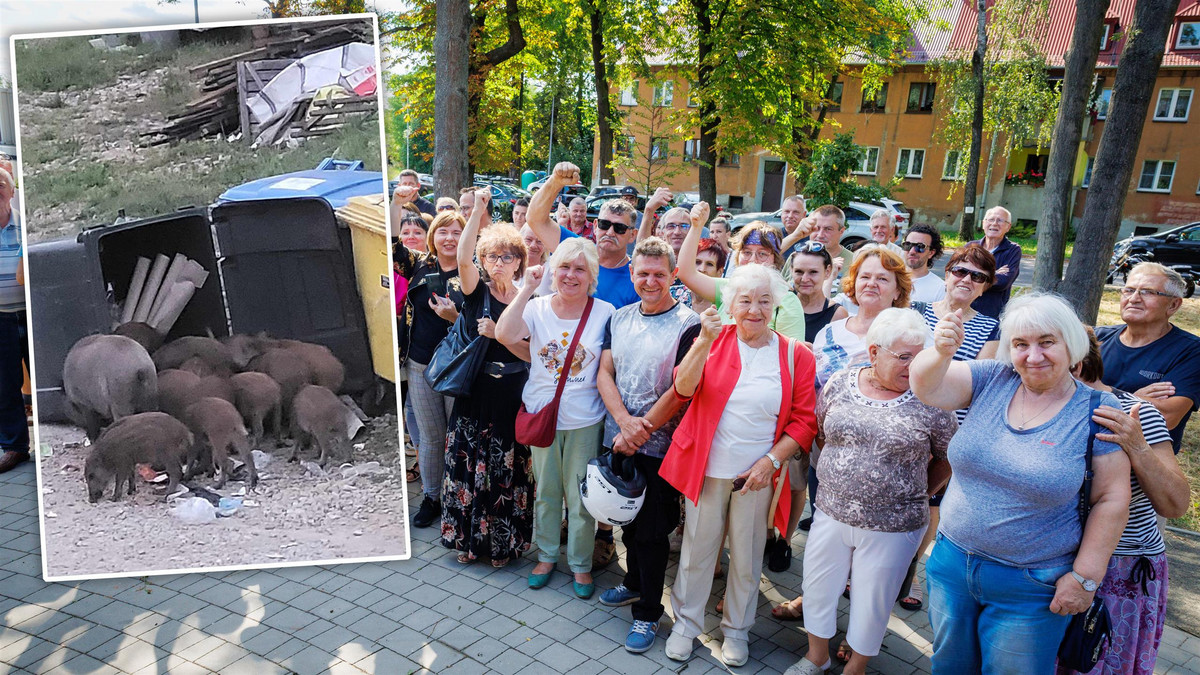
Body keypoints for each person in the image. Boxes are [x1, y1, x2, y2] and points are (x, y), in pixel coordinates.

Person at [910, 293, 1131, 674]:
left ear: (1071, 345)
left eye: (1047, 342)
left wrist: (1085, 577)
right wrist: (941, 351)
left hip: (1033, 584)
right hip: (952, 563)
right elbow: (926, 388)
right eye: (1020, 344)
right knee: (949, 666)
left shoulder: (1097, 412)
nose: (1033, 356)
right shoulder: (990, 378)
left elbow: (1111, 499)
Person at [659, 265, 818, 667]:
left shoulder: (795, 354)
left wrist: (771, 461)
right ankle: (686, 625)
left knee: (747, 557)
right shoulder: (711, 338)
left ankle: (736, 630)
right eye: (745, 300)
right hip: (708, 468)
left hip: (759, 475)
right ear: (730, 304)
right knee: (698, 550)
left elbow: (804, 420)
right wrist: (701, 343)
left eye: (764, 301)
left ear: (776, 306)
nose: (754, 309)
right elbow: (682, 388)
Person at [786, 308, 956, 675]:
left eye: (919, 355)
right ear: (875, 351)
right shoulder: (840, 383)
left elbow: (948, 455)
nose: (913, 365)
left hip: (894, 524)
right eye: (904, 356)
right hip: (831, 509)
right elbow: (821, 431)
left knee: (872, 600)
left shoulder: (932, 398)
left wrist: (915, 492)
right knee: (818, 585)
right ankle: (817, 656)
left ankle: (857, 667)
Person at [1055, 328, 1189, 675]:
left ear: (1076, 366)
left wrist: (1137, 446)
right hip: (1054, 559)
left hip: (1121, 569)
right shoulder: (1043, 406)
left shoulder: (1137, 414)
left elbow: (1175, 505)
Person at [595, 237, 701, 653]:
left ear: (674, 276)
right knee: (628, 523)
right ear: (632, 274)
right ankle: (633, 582)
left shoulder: (688, 323)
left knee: (653, 533)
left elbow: (682, 388)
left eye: (659, 274)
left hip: (662, 448)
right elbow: (605, 372)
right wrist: (623, 424)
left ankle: (648, 615)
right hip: (619, 439)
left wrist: (642, 430)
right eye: (643, 274)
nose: (650, 281)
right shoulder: (619, 318)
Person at [496, 237, 616, 599]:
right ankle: (546, 556)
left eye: (580, 269)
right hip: (542, 416)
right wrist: (527, 288)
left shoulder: (605, 312)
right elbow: (503, 334)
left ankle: (580, 564)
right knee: (547, 492)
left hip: (585, 419)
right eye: (564, 267)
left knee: (581, 497)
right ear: (553, 270)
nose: (571, 275)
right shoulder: (537, 307)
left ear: (592, 275)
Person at [895, 243, 999, 611]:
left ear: (986, 286)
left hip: (952, 434)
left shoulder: (990, 327)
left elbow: (975, 384)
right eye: (960, 270)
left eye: (978, 276)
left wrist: (939, 364)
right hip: (903, 421)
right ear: (948, 272)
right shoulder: (916, 311)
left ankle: (909, 572)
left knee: (929, 507)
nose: (967, 280)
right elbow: (900, 364)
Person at [440, 189, 533, 568]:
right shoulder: (475, 293)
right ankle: (468, 542)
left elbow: (532, 355)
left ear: (519, 262)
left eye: (507, 256)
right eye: (492, 256)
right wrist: (478, 211)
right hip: (475, 394)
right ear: (483, 260)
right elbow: (461, 256)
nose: (499, 262)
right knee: (469, 466)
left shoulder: (528, 298)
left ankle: (501, 547)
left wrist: (499, 335)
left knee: (505, 471)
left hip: (511, 394)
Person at [396, 211, 466, 528]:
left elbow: (482, 325)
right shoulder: (419, 264)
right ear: (433, 236)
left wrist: (454, 318)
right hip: (421, 363)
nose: (449, 238)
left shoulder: (473, 273)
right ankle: (431, 497)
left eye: (456, 232)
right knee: (431, 436)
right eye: (443, 232)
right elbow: (393, 246)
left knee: (458, 435)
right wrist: (397, 201)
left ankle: (457, 497)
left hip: (457, 368)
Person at [1096, 262, 1200, 453]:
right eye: (1128, 290)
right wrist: (1133, 399)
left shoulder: (1191, 351)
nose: (1133, 298)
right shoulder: (1096, 338)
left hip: (1142, 460)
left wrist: (1093, 393)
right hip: (1086, 452)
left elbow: (1166, 416)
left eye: (1148, 292)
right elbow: (1057, 394)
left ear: (1174, 304)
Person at [676, 204, 807, 341]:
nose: (753, 260)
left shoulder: (786, 300)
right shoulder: (727, 288)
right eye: (746, 253)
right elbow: (685, 272)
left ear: (775, 260)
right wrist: (697, 227)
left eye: (762, 254)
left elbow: (793, 356)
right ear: (737, 257)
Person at [0, 167, 27, 474]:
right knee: (5, 385)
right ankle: (15, 447)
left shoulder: (23, 226)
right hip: (1, 318)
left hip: (26, 311)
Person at [970, 206, 1021, 318]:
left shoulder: (1013, 250)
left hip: (991, 314)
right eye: (991, 219)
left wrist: (973, 275)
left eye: (1000, 220)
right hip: (965, 309)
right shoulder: (970, 247)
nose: (995, 223)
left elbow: (1003, 282)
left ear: (1008, 227)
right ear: (983, 223)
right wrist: (994, 273)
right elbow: (956, 275)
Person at [902, 224, 946, 304]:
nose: (912, 251)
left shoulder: (940, 289)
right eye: (908, 245)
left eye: (920, 247)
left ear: (931, 253)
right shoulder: (890, 278)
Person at [692, 238, 727, 313]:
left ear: (719, 272)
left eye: (709, 264)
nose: (702, 269)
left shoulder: (726, 303)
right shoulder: (674, 295)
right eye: (697, 262)